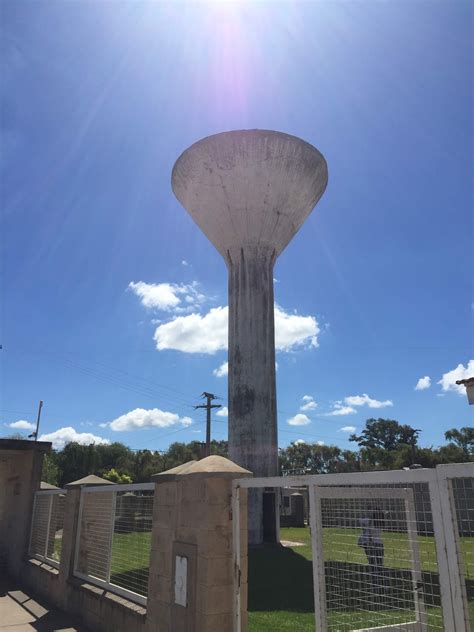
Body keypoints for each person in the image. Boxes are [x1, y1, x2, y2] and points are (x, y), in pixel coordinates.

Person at [358, 508, 385, 592]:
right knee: (378, 565)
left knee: (374, 566)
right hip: (377, 544)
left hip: (371, 544)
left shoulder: (368, 521)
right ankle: (379, 585)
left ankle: (376, 585)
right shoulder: (379, 523)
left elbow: (360, 521)